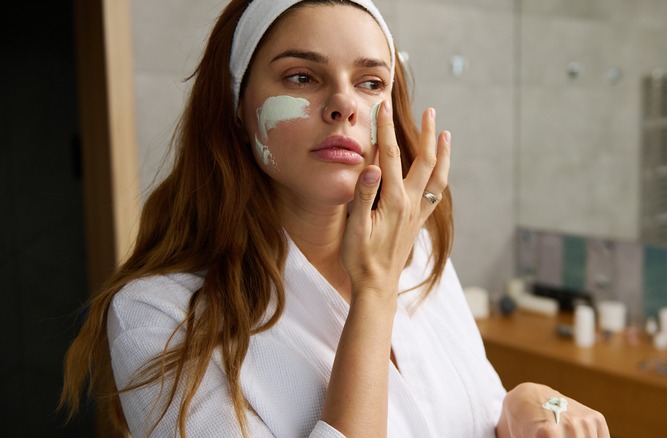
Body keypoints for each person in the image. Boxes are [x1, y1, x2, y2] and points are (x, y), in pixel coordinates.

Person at [61, 0, 610, 436]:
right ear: (236, 108)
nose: (344, 104)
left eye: (371, 83)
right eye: (301, 77)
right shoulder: (161, 316)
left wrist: (523, 402)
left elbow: (475, 412)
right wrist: (374, 292)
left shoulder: (418, 254)